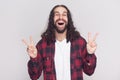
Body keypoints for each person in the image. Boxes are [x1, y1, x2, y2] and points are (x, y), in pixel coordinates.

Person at [22, 4, 98, 80]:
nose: (61, 17)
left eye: (64, 15)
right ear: (52, 19)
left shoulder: (80, 42)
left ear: (68, 19)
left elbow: (89, 71)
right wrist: (34, 58)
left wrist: (90, 54)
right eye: (57, 14)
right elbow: (34, 76)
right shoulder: (43, 45)